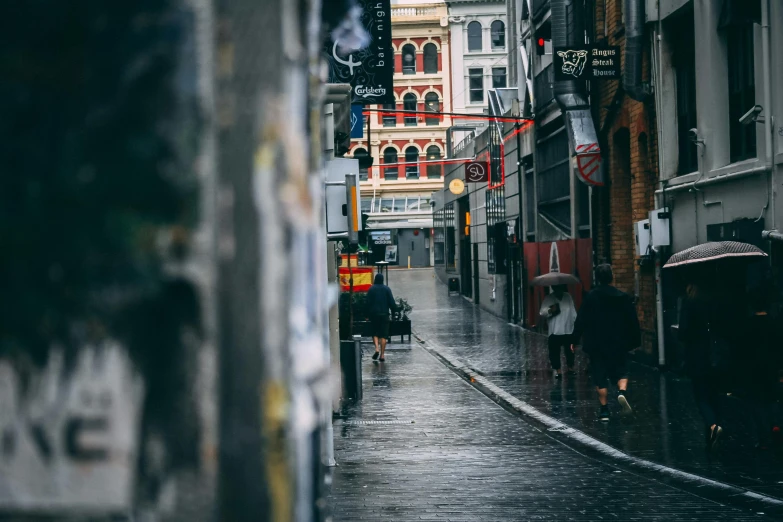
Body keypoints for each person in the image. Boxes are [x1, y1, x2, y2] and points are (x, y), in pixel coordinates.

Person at [572, 264, 641, 421]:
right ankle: (621, 392)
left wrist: (574, 339)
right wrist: (635, 340)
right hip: (619, 343)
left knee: (600, 375)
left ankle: (604, 411)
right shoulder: (623, 298)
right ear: (612, 277)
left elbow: (581, 320)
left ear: (597, 278)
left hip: (597, 344)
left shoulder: (590, 297)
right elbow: (633, 322)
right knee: (622, 371)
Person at [678, 280, 737, 450]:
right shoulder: (716, 300)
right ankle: (715, 429)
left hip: (697, 357)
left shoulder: (689, 302)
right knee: (715, 394)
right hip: (716, 355)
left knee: (701, 395)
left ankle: (713, 426)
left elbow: (683, 333)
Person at [539, 284, 577, 378]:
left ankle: (570, 368)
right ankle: (558, 370)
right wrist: (550, 310)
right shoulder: (549, 298)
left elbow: (573, 312)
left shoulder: (568, 297)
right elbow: (542, 312)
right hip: (554, 330)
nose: (558, 290)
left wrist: (576, 324)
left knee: (570, 350)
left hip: (568, 329)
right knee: (554, 352)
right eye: (556, 288)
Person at [365, 273, 398, 362]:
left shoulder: (371, 289)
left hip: (374, 314)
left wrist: (366, 315)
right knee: (384, 335)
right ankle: (382, 355)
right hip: (384, 314)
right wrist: (394, 313)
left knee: (375, 332)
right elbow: (391, 302)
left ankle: (376, 348)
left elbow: (367, 303)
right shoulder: (387, 289)